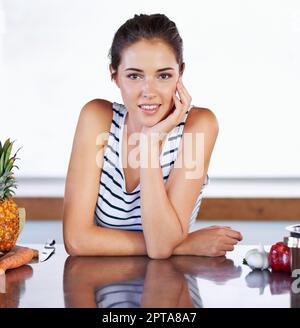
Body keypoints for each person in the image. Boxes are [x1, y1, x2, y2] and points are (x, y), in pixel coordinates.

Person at [63, 13, 243, 259]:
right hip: (102, 285)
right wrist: (183, 245)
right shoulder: (97, 118)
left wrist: (149, 145)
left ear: (180, 74)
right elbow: (76, 240)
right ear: (114, 74)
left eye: (164, 75)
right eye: (134, 76)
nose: (149, 92)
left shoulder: (198, 126)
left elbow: (161, 249)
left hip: (170, 289)